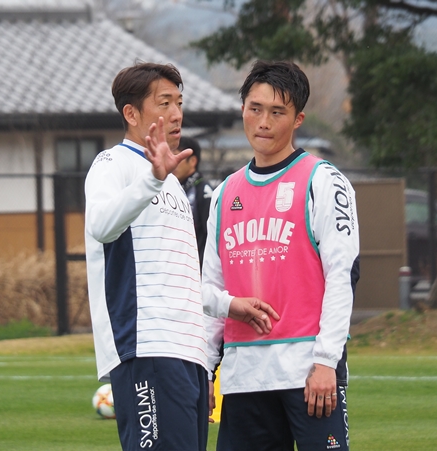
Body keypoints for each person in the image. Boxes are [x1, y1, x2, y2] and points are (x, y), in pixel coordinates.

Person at [84, 61, 275, 451]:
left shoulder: (170, 182)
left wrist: (228, 304)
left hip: (190, 354)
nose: (176, 114)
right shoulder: (111, 164)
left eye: (179, 103)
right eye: (164, 103)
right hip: (146, 347)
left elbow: (180, 278)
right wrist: (152, 179)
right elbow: (100, 226)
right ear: (131, 113)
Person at [202, 60, 360, 451]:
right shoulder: (223, 195)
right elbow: (210, 290)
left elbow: (342, 275)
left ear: (298, 119)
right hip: (242, 378)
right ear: (242, 109)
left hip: (307, 373)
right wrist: (204, 371)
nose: (263, 122)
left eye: (277, 112)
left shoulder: (324, 180)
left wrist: (326, 361)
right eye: (255, 109)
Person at [173, 136, 213, 267]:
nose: (173, 162)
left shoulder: (204, 191)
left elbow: (211, 236)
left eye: (177, 157)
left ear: (192, 161)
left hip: (197, 270)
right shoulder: (172, 188)